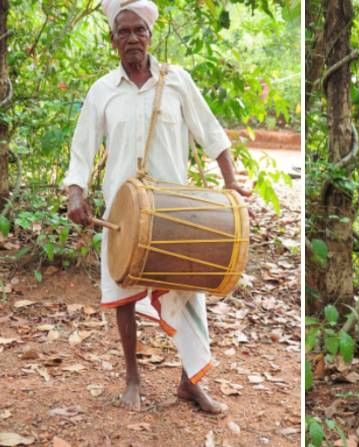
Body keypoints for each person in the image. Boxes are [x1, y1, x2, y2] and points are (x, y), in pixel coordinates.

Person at [64, 0, 251, 414]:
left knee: (190, 292)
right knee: (124, 295)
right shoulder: (102, 91)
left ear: (150, 36)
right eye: (124, 31)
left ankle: (191, 383)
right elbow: (82, 150)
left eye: (139, 31)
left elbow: (211, 131)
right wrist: (75, 192)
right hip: (122, 211)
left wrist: (231, 181)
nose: (132, 38)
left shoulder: (177, 81)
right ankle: (133, 378)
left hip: (175, 211)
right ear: (112, 40)